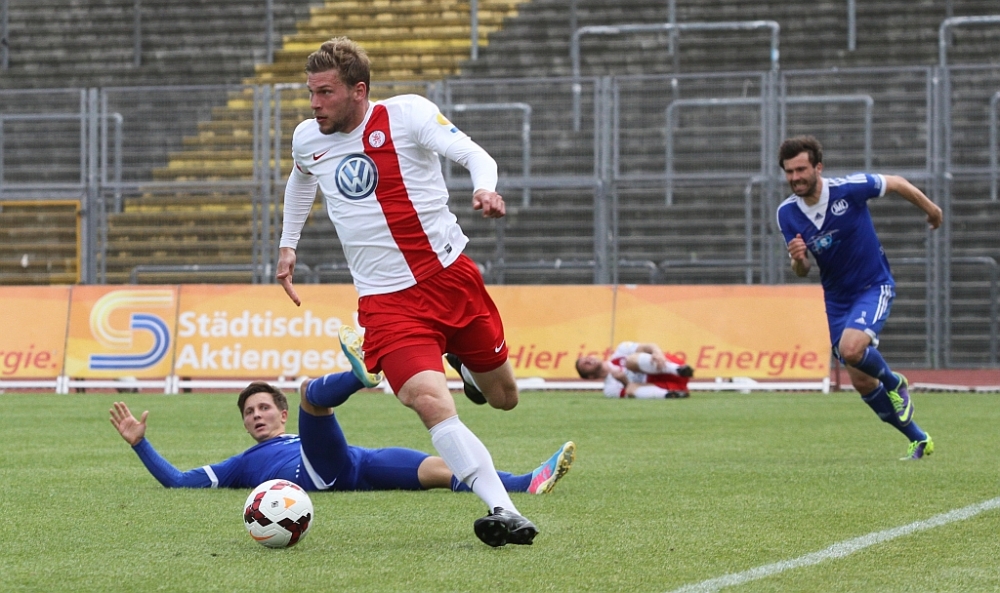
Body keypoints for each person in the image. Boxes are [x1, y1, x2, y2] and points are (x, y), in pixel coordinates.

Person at [274, 36, 537, 546]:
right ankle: (502, 508)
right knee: (426, 398)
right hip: (386, 302)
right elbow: (301, 179)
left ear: (358, 91)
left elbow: (472, 153)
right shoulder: (308, 138)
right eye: (310, 92)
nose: (314, 103)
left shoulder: (407, 115)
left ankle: (465, 366)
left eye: (325, 92)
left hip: (449, 280)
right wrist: (288, 245)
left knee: (504, 398)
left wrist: (484, 187)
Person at [109, 344, 576, 497]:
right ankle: (362, 374)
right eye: (249, 413)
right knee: (311, 394)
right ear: (246, 426)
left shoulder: (289, 435)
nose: (256, 415)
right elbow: (178, 481)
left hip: (356, 464)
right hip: (315, 473)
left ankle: (525, 484)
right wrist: (139, 443)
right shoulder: (242, 463)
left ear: (280, 415)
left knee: (439, 468)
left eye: (263, 408)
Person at [775, 135, 943, 460]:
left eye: (801, 169)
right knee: (862, 382)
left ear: (818, 167)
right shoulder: (787, 214)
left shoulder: (849, 190)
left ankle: (894, 383)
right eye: (789, 172)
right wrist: (797, 258)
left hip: (872, 286)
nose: (795, 177)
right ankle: (919, 439)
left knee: (852, 349)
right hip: (837, 300)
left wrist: (932, 210)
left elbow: (896, 183)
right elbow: (802, 270)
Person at [575, 342, 694, 399]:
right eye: (584, 364)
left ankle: (679, 370)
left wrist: (657, 353)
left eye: (587, 357)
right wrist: (624, 381)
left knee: (630, 360)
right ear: (590, 377)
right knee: (630, 390)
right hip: (664, 385)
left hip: (666, 366)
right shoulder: (609, 390)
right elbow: (631, 394)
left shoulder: (621, 351)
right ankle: (671, 395)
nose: (588, 360)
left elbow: (649, 346)